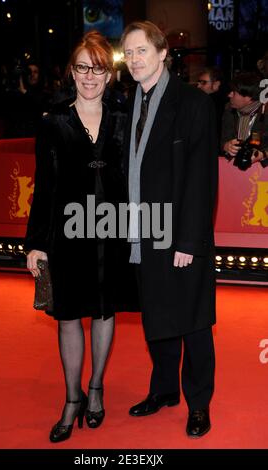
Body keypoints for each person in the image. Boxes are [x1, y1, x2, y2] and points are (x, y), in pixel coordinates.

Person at [25, 31, 133, 443]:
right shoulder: (53, 123)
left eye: (98, 68)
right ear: (72, 72)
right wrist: (36, 242)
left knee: (104, 311)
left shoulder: (124, 119)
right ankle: (72, 398)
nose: (90, 75)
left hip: (112, 232)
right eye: (83, 67)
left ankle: (96, 388)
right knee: (68, 315)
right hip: (66, 235)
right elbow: (44, 186)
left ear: (109, 74)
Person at [121, 21, 218, 438]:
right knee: (158, 316)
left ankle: (199, 403)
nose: (134, 59)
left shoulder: (193, 103)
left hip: (179, 236)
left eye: (142, 50)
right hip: (143, 234)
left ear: (162, 54)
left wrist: (188, 241)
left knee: (193, 321)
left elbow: (201, 178)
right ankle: (163, 391)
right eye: (129, 52)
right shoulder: (132, 103)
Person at [221, 72, 268, 168]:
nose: (229, 95)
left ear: (248, 98)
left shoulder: (265, 113)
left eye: (233, 92)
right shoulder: (229, 110)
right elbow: (223, 140)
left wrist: (263, 154)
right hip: (234, 170)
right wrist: (226, 146)